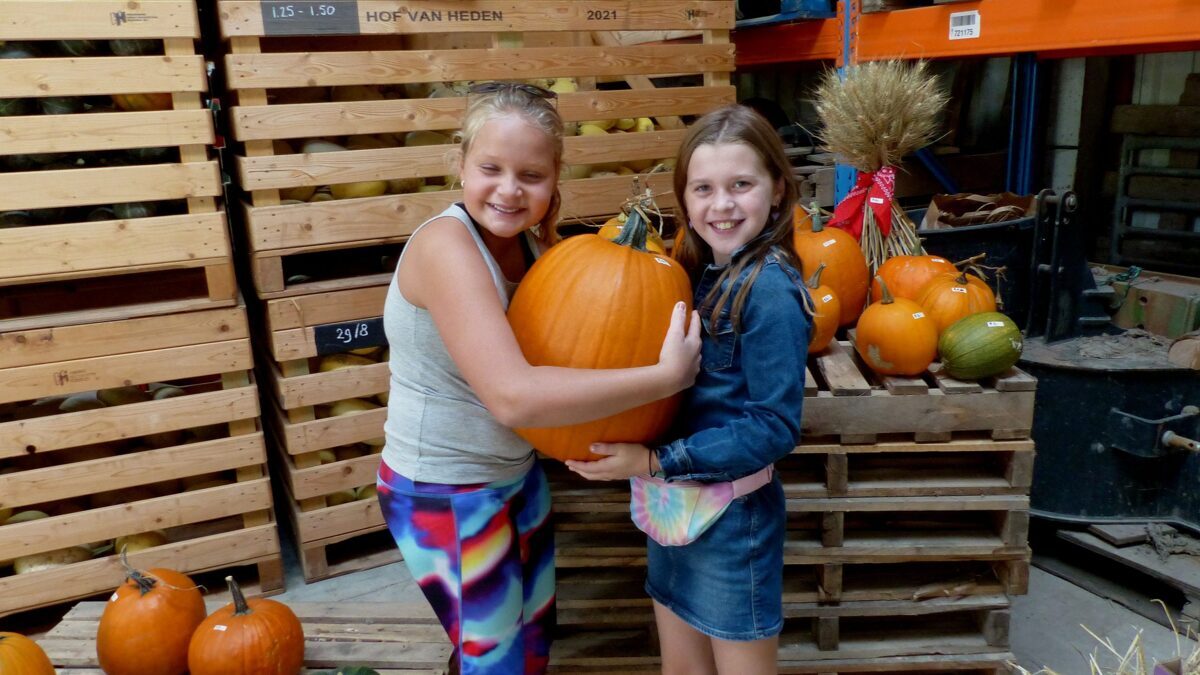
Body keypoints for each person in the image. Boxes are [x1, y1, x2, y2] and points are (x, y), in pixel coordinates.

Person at [374, 81, 702, 675]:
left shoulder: (530, 245)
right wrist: (663, 378)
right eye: (490, 168)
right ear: (460, 163)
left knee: (528, 646)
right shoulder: (447, 246)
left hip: (512, 478)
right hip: (444, 487)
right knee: (495, 661)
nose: (508, 189)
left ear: (554, 180)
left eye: (530, 175)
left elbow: (582, 330)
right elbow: (513, 396)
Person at [567, 104, 813, 675]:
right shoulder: (701, 272)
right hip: (674, 506)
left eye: (741, 185)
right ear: (684, 199)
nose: (721, 205)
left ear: (777, 190)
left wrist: (655, 458)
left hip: (733, 520)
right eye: (703, 188)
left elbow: (773, 427)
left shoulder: (771, 289)